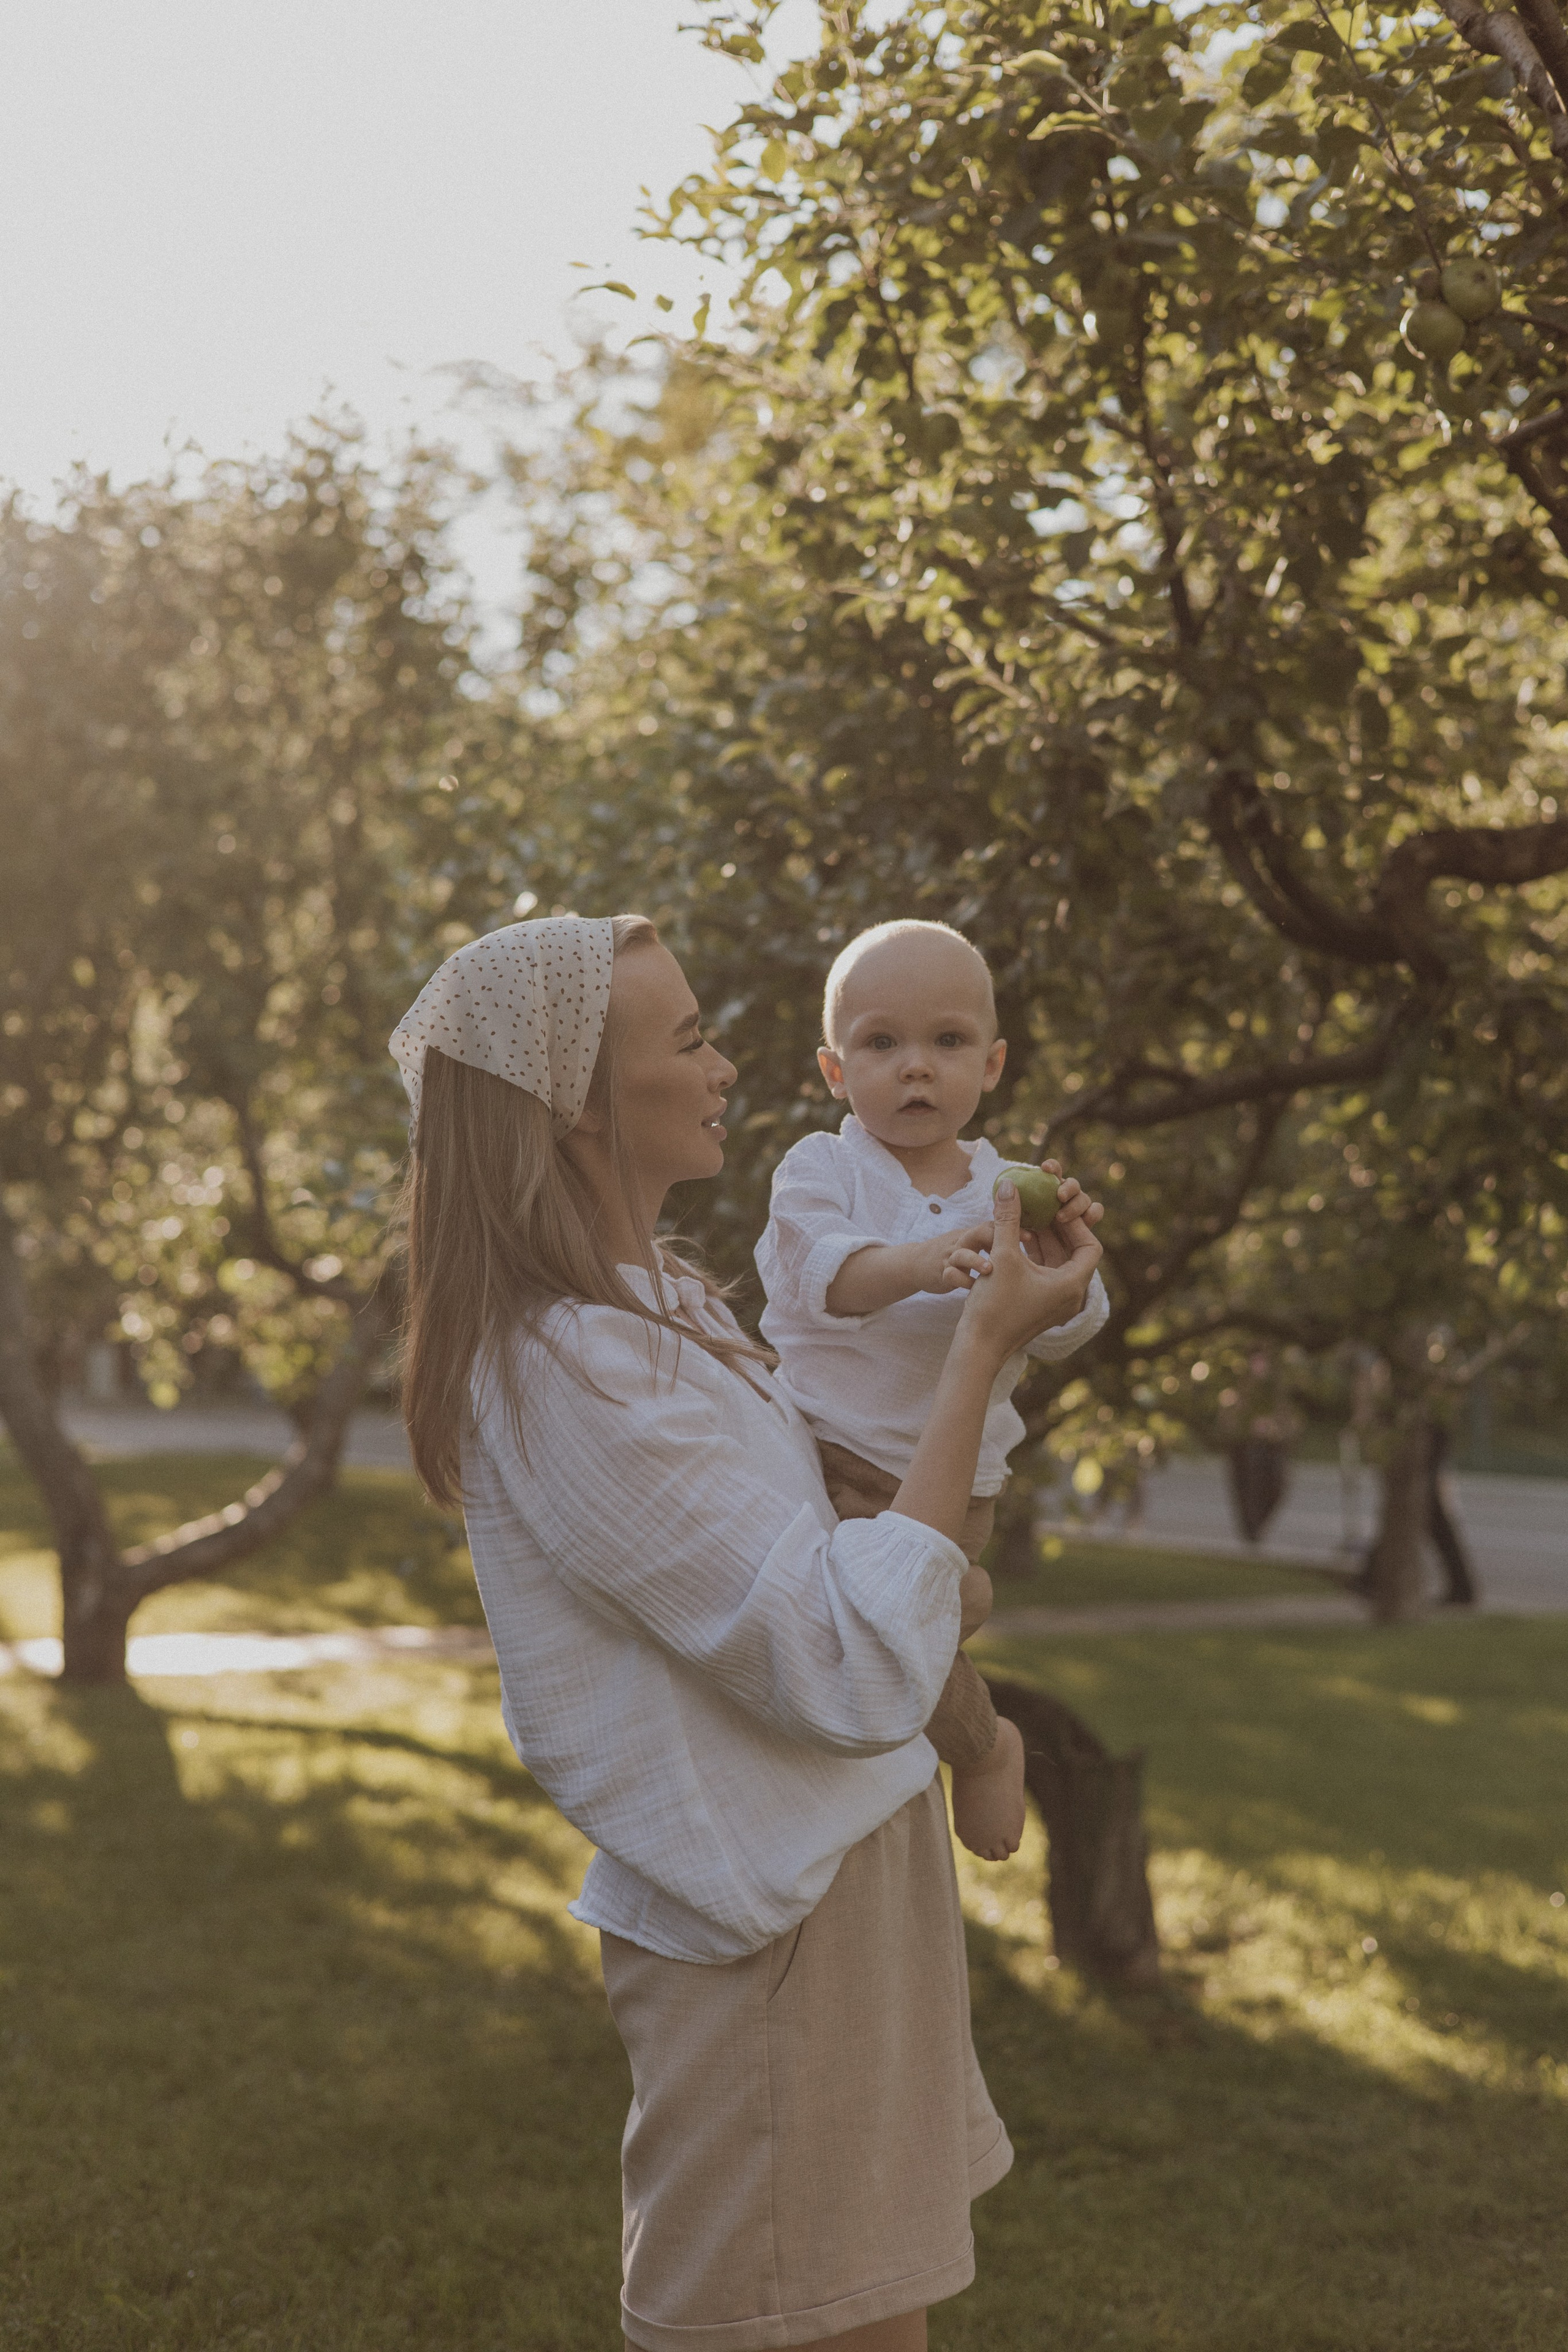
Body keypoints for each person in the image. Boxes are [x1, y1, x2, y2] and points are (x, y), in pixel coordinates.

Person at [391, 911, 1104, 2352]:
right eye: (692, 1039)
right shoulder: (571, 1367)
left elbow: (840, 1575)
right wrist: (979, 1345)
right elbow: (841, 1663)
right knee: (776, 2317)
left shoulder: (660, 1302)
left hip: (848, 1868)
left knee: (875, 2313)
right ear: (578, 1105)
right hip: (769, 1926)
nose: (725, 1068)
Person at [756, 920, 1109, 1863]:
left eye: (947, 1041)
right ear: (836, 1072)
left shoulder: (1009, 1189)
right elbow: (827, 1280)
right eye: (883, 1043)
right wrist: (921, 1260)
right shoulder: (820, 1170)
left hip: (954, 1481)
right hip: (819, 1456)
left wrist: (1063, 1265)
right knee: (866, 1632)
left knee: (892, 1637)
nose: (916, 1067)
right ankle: (975, 1706)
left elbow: (1067, 1326)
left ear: (991, 1065)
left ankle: (979, 1740)